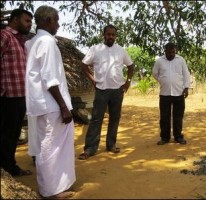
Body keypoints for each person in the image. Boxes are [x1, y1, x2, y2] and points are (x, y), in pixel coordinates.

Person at [25, 6, 75, 198]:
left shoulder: (33, 41)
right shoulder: (46, 41)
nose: (59, 24)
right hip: (52, 104)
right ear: (47, 21)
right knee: (51, 148)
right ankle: (51, 191)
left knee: (48, 146)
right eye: (56, 19)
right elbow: (49, 78)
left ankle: (56, 186)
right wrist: (64, 106)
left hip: (42, 103)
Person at [78, 24, 134, 160]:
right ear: (103, 35)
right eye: (108, 34)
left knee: (115, 118)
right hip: (101, 89)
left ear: (115, 36)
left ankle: (111, 145)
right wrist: (93, 80)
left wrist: (128, 81)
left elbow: (131, 65)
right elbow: (84, 65)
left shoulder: (121, 50)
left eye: (113, 34)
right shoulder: (95, 49)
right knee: (96, 119)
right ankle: (90, 149)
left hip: (117, 90)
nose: (111, 37)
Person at [0, 8, 33, 176]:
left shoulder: (19, 40)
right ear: (14, 20)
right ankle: (7, 171)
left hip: (20, 95)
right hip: (8, 96)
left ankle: (10, 168)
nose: (30, 25)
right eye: (26, 21)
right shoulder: (5, 36)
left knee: (13, 136)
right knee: (6, 136)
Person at [152, 42, 190, 145]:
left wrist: (186, 87)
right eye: (169, 52)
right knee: (164, 117)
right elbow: (154, 73)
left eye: (173, 52)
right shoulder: (159, 61)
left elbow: (186, 74)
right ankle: (164, 137)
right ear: (165, 51)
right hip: (164, 94)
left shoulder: (181, 60)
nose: (171, 54)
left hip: (179, 93)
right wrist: (162, 80)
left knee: (178, 116)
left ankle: (178, 137)